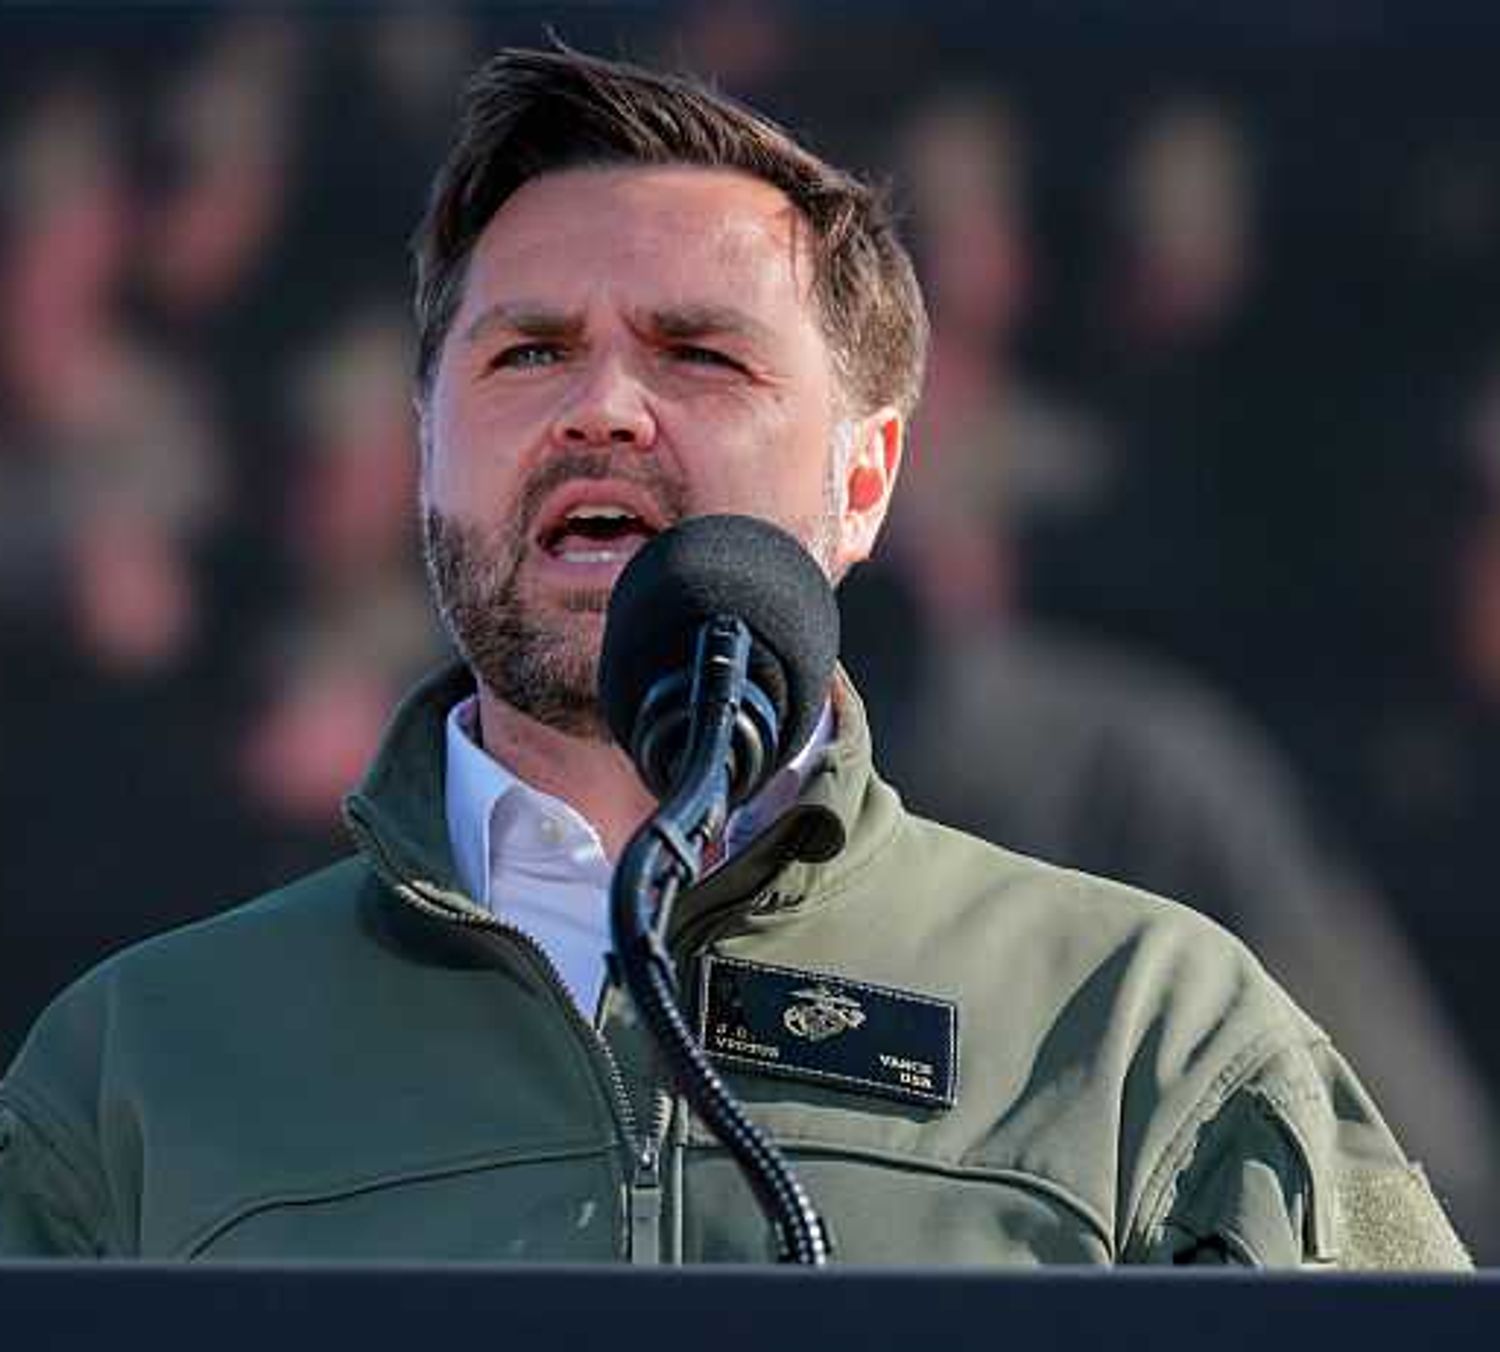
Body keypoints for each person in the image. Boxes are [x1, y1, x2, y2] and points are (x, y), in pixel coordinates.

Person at [0, 46, 1471, 1267]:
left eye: (700, 354)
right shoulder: (130, 1076)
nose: (604, 410)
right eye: (527, 354)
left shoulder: (1148, 1037)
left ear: (869, 477)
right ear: (426, 446)